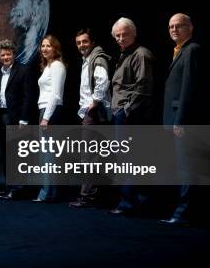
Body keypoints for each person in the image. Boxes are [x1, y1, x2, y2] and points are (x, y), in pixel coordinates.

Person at [108, 17, 155, 216]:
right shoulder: (123, 54)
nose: (120, 38)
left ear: (134, 34)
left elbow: (144, 87)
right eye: (117, 35)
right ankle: (132, 202)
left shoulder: (141, 54)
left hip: (130, 117)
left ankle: (130, 203)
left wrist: (126, 110)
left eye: (124, 34)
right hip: (122, 115)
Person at [159, 13, 200, 226]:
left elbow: (189, 88)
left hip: (180, 120)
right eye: (170, 27)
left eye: (179, 26)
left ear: (190, 27)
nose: (174, 29)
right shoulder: (178, 51)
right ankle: (179, 209)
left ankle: (183, 212)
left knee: (186, 167)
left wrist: (180, 120)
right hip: (172, 118)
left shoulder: (192, 50)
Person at [69, 28, 112, 208]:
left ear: (92, 42)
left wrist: (94, 103)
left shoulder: (98, 57)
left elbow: (102, 80)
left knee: (88, 157)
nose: (81, 45)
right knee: (92, 156)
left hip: (93, 113)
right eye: (78, 43)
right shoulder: (88, 59)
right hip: (87, 113)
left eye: (84, 42)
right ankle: (91, 195)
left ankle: (87, 196)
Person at [0, 39, 32, 200]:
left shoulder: (23, 70)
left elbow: (28, 97)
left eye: (8, 54)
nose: (6, 57)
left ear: (14, 54)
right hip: (1, 116)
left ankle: (17, 188)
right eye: (3, 55)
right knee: (5, 153)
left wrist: (24, 119)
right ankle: (9, 186)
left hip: (16, 117)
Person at [33, 35, 66, 202]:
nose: (45, 49)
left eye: (49, 46)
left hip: (50, 112)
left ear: (55, 48)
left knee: (49, 156)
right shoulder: (48, 66)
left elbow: (56, 94)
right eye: (43, 46)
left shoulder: (57, 66)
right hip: (45, 110)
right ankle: (51, 193)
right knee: (47, 155)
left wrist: (46, 117)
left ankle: (46, 193)